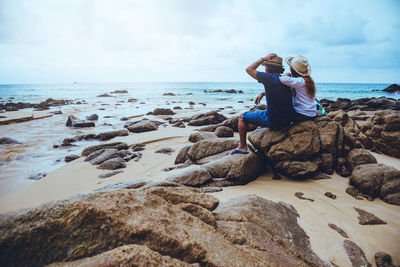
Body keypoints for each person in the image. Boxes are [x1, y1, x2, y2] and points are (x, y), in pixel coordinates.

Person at [231, 53, 295, 154]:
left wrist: (263, 58)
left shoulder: (268, 78)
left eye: (265, 66)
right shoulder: (286, 79)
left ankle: (242, 146)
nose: (264, 68)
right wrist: (263, 93)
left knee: (242, 118)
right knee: (263, 113)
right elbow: (280, 85)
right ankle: (264, 127)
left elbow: (249, 69)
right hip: (287, 120)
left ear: (268, 68)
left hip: (274, 121)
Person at [279, 55, 319, 122]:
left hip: (302, 114)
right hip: (312, 114)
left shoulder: (299, 81)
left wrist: (286, 75)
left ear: (293, 69)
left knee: (280, 115)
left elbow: (281, 79)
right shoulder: (308, 80)